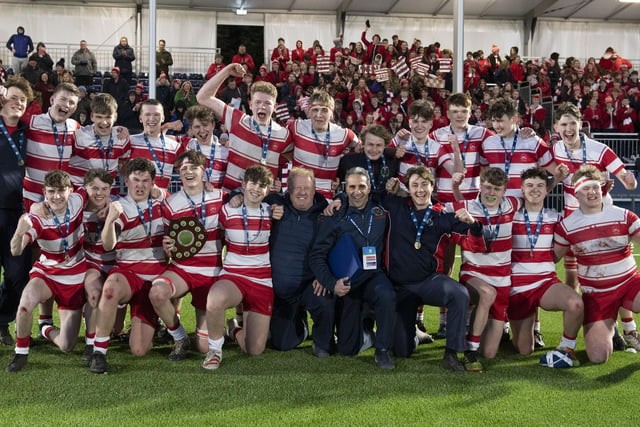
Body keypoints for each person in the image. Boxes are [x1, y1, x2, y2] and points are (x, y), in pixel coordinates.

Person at [384, 166, 485, 371]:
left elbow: (476, 245)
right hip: (400, 287)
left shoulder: (443, 215)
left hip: (429, 282)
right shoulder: (395, 206)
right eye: (414, 185)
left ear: (433, 186)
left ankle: (451, 353)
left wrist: (474, 225)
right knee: (401, 350)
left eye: (424, 184)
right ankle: (415, 335)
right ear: (408, 189)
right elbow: (364, 195)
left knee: (459, 294)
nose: (420, 190)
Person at [309, 167, 396, 369]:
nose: (357, 191)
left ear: (369, 188)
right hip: (348, 282)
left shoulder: (381, 210)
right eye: (352, 187)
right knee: (347, 349)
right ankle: (366, 330)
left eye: (362, 186)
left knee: (387, 294)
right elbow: (317, 255)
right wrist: (331, 283)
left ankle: (382, 351)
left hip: (373, 276)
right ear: (345, 189)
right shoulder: (335, 216)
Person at [555, 165, 640, 364]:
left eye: (595, 187)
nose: (592, 192)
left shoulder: (624, 216)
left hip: (629, 284)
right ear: (576, 193)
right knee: (598, 356)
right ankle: (616, 330)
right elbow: (552, 258)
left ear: (601, 189)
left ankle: (629, 329)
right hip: (596, 295)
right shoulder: (567, 226)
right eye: (585, 188)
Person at [88, 158, 165, 374]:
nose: (140, 186)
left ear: (152, 183)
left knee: (140, 349)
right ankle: (99, 351)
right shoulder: (120, 207)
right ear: (126, 181)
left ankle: (151, 322)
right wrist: (111, 220)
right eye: (135, 180)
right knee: (110, 288)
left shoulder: (164, 203)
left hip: (153, 282)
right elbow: (108, 244)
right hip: (128, 275)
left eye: (145, 181)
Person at [6, 170, 87, 372]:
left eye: (61, 191)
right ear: (44, 192)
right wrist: (19, 230)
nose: (56, 196)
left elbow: (97, 187)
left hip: (75, 274)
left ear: (71, 190)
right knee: (25, 305)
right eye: (51, 191)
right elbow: (15, 251)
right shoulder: (37, 217)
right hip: (48, 272)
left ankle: (45, 329)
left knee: (67, 345)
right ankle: (21, 353)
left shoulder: (78, 201)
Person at [202, 165, 281, 370]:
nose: (257, 189)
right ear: (244, 184)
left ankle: (233, 329)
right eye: (253, 183)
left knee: (254, 350)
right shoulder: (227, 209)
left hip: (262, 280)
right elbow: (210, 237)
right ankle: (215, 351)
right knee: (215, 299)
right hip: (234, 276)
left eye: (263, 186)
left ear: (268, 190)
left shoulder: (271, 211)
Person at [149, 151, 226, 359]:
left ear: (203, 171)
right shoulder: (170, 204)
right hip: (183, 268)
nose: (188, 172)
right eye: (183, 169)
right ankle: (180, 338)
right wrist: (167, 245)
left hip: (211, 272)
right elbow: (167, 239)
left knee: (203, 347)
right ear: (178, 173)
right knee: (157, 293)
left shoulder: (221, 197)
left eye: (193, 167)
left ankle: (223, 326)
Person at [510, 167, 583, 365]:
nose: (535, 189)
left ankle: (566, 348)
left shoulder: (555, 218)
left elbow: (580, 232)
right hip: (517, 287)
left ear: (546, 189)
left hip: (545, 282)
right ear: (522, 189)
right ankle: (507, 329)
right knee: (524, 350)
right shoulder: (510, 216)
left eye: (540, 186)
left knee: (575, 304)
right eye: (530, 185)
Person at [450, 167, 519, 372]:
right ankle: (470, 352)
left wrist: (556, 179)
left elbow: (539, 194)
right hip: (474, 272)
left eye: (497, 189)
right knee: (487, 294)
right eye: (487, 187)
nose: (491, 193)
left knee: (489, 353)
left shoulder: (512, 204)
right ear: (480, 185)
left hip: (502, 277)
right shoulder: (465, 206)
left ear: (505, 190)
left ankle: (470, 333)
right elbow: (431, 207)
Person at [266, 167, 335, 355]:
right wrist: (267, 204)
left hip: (309, 285)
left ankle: (322, 342)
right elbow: (252, 196)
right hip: (282, 293)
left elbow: (335, 250)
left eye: (307, 188)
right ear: (288, 190)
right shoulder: (276, 207)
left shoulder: (326, 215)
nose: (302, 192)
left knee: (324, 300)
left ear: (314, 190)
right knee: (281, 344)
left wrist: (324, 276)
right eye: (297, 188)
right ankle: (301, 325)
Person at [196, 63, 292, 192]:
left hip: (265, 203)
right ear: (250, 104)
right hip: (232, 200)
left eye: (267, 103)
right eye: (258, 102)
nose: (262, 107)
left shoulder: (284, 134)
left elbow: (298, 161)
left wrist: (280, 182)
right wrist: (226, 71)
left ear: (275, 107)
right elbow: (202, 97)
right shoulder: (237, 119)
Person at [0, 78, 34, 346]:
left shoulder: (29, 131)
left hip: (17, 214)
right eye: (13, 97)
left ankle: (2, 319)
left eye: (22, 100)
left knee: (17, 276)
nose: (18, 102)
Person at [80, 168, 121, 360]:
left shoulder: (118, 205)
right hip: (91, 262)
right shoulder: (76, 207)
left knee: (116, 329)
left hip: (116, 263)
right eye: (94, 188)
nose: (99, 193)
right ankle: (90, 343)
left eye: (104, 188)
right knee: (94, 293)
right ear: (85, 187)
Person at [289, 89, 359, 200]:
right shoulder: (296, 127)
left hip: (326, 195)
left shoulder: (344, 135)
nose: (319, 115)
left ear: (331, 113)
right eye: (315, 110)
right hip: (298, 192)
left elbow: (361, 152)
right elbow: (279, 147)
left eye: (324, 110)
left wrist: (340, 175)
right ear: (308, 111)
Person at [23, 82, 80, 211]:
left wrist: (119, 130)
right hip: (32, 197)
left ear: (75, 108)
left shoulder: (75, 127)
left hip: (59, 198)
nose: (66, 105)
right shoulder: (32, 122)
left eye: (71, 102)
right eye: (63, 99)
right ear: (52, 99)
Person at [68, 93, 130, 194]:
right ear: (92, 116)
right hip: (82, 198)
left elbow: (123, 169)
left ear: (115, 117)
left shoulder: (122, 139)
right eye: (99, 117)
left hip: (109, 197)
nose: (104, 122)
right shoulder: (79, 136)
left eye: (108, 117)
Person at [123, 99, 183, 190]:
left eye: (156, 114)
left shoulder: (175, 147)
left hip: (161, 202)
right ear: (140, 118)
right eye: (147, 114)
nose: (152, 118)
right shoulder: (129, 142)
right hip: (135, 202)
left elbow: (187, 175)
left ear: (163, 118)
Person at [338, 124, 399, 197]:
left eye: (379, 145)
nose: (374, 149)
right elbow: (339, 188)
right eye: (370, 144)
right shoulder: (348, 161)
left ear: (385, 146)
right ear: (363, 144)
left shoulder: (392, 161)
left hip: (385, 205)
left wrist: (395, 187)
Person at [183, 105, 229, 188]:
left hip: (216, 199)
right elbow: (154, 136)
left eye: (205, 125)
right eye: (197, 127)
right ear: (191, 129)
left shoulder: (225, 151)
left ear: (213, 125)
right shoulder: (186, 144)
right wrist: (167, 126)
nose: (202, 130)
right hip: (191, 199)